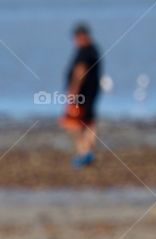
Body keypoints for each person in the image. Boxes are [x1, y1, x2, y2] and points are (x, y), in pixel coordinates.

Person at [58, 23, 102, 168]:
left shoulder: (84, 52)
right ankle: (88, 152)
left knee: (73, 123)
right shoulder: (94, 50)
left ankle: (84, 153)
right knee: (88, 122)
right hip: (92, 93)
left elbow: (80, 71)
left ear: (81, 36)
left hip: (81, 95)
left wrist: (73, 92)